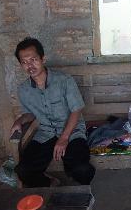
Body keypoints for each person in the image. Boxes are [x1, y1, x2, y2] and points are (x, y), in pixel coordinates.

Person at [10, 37, 95, 187]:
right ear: (20, 65)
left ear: (43, 58)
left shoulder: (64, 81)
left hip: (72, 132)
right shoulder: (23, 90)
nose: (30, 65)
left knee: (82, 169)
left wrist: (63, 138)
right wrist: (20, 121)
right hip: (45, 134)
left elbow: (76, 110)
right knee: (23, 170)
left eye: (33, 59)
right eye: (24, 62)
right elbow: (30, 114)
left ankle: (81, 194)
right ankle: (49, 183)